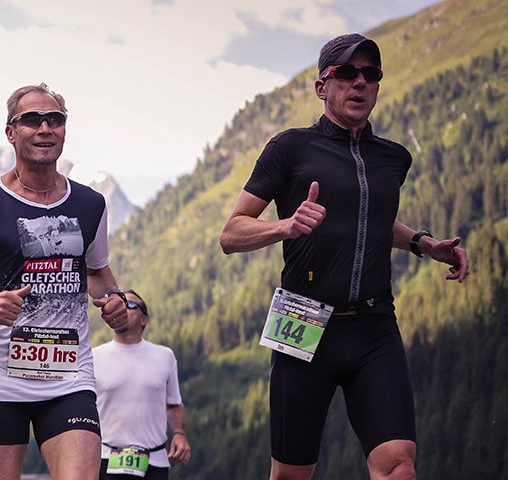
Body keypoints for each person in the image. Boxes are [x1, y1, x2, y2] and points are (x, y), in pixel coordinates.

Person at [218, 33, 470, 480]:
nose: (360, 83)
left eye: (370, 74)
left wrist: (424, 244)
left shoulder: (394, 158)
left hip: (374, 326)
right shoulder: (289, 148)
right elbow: (231, 233)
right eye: (346, 73)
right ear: (321, 87)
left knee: (398, 464)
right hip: (303, 320)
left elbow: (371, 218)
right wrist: (285, 226)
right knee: (292, 474)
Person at [0, 82, 129, 480]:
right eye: (32, 120)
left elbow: (95, 270)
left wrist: (114, 299)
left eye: (54, 120)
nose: (44, 128)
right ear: (11, 132)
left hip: (69, 374)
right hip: (0, 377)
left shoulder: (90, 204)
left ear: (64, 131)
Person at [91, 290, 190, 479]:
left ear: (144, 319)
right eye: (119, 304)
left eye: (129, 305)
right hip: (105, 460)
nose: (122, 308)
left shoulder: (165, 356)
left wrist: (179, 433)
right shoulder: (94, 356)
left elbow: (174, 404)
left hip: (154, 461)